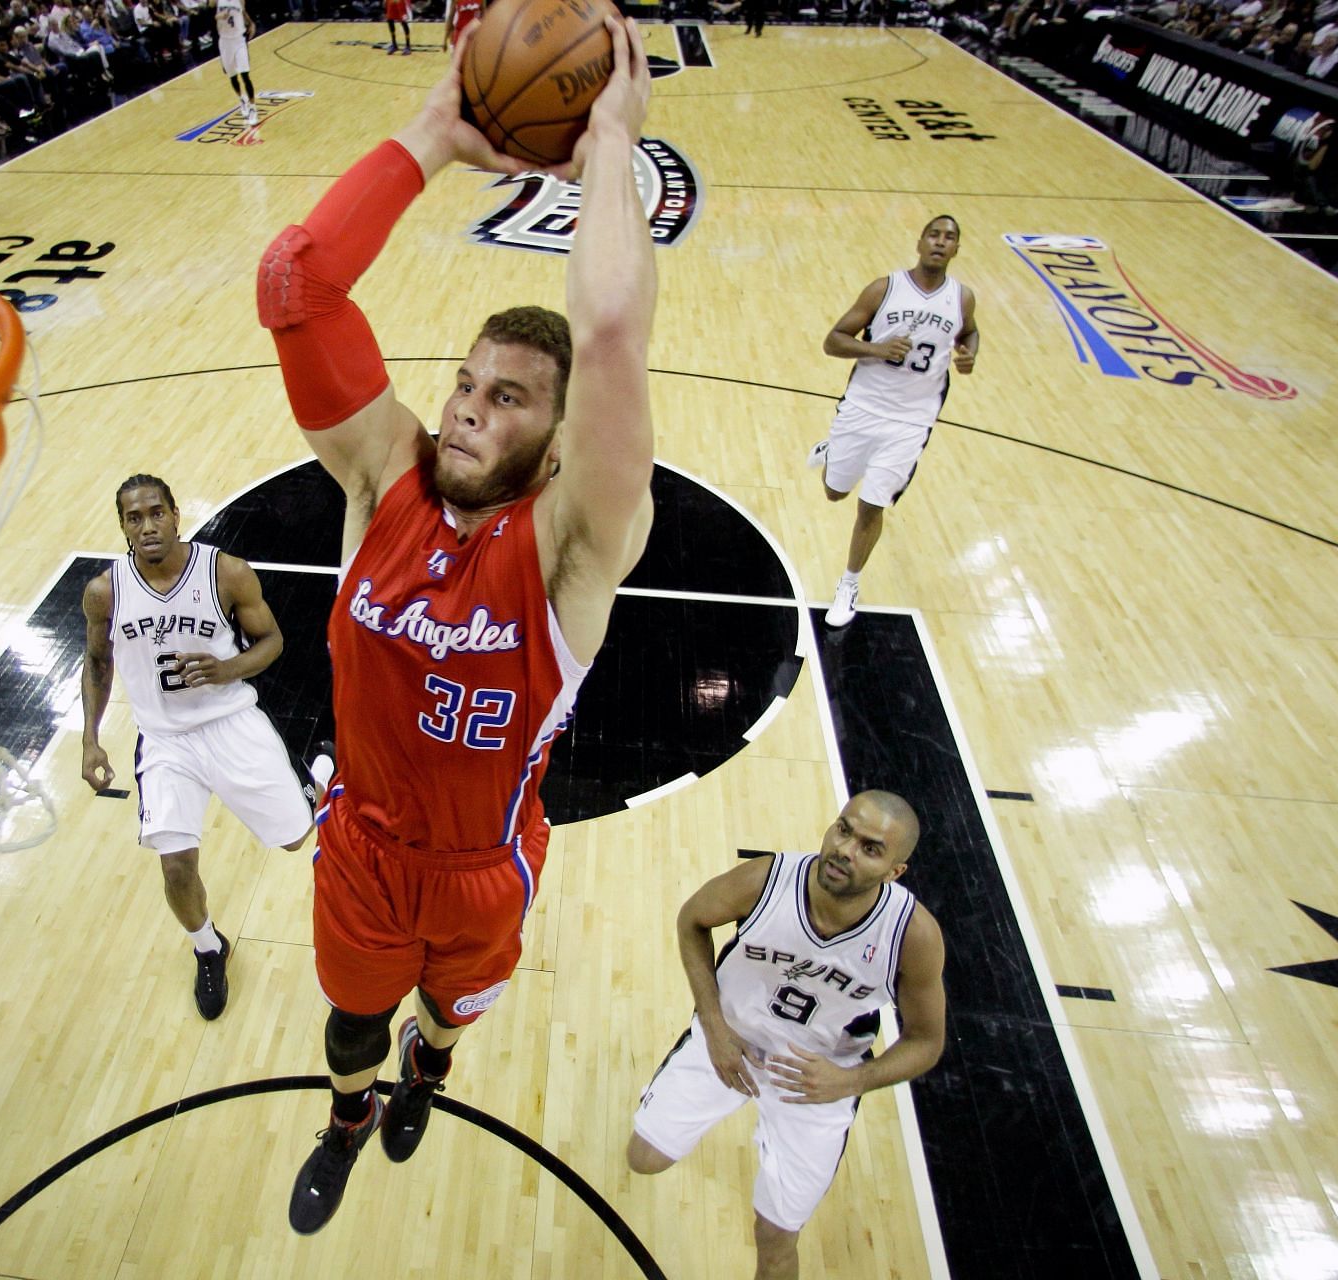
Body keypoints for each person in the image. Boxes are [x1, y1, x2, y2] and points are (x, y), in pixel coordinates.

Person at [257, 16, 655, 1235]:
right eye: (468, 384)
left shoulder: (573, 543)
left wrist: (610, 146)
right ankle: (347, 1116)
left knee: (444, 1021)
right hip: (362, 846)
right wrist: (436, 129)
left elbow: (609, 336)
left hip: (486, 869)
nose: (472, 409)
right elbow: (297, 282)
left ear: (556, 433)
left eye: (510, 398)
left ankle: (429, 1075)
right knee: (351, 1022)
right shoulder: (385, 475)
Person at [627, 791, 946, 1280]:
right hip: (730, 1042)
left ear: (893, 872)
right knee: (643, 1159)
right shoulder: (765, 881)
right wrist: (712, 1026)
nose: (845, 849)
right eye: (844, 830)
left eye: (870, 848)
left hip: (819, 1081)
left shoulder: (912, 936)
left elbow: (927, 1042)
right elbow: (691, 920)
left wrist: (849, 1083)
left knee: (776, 1238)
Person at [80, 474, 319, 1020]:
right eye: (134, 518)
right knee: (175, 868)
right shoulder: (104, 592)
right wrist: (91, 740)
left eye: (156, 513)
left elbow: (273, 641)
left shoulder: (224, 572)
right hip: (165, 743)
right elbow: (97, 662)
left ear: (175, 514)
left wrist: (225, 669)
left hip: (231, 723)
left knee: (294, 841)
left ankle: (318, 768)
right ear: (122, 527)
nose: (147, 526)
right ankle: (209, 947)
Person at [811, 214, 977, 628]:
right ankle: (833, 451)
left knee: (873, 504)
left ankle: (849, 584)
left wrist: (970, 353)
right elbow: (833, 341)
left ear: (957, 249)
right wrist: (877, 350)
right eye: (934, 235)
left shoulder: (962, 298)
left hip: (911, 421)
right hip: (864, 407)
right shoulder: (884, 289)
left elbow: (969, 332)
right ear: (920, 242)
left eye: (950, 238)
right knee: (835, 493)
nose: (941, 242)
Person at [216, 0, 256, 119]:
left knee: (245, 74)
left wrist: (251, 23)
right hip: (224, 41)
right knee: (232, 76)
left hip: (239, 40)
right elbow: (209, 17)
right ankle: (242, 99)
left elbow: (243, 12)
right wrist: (218, 16)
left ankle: (253, 108)